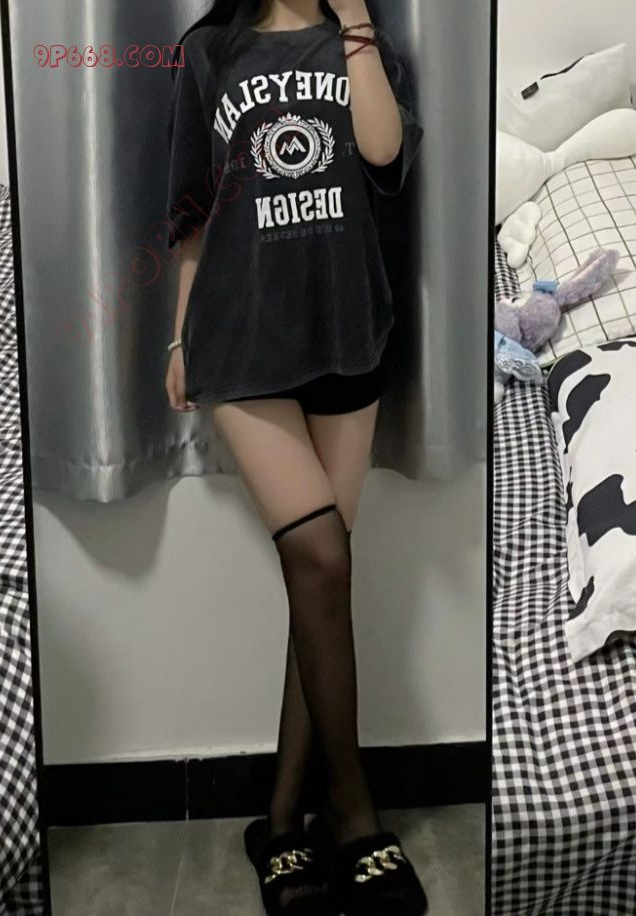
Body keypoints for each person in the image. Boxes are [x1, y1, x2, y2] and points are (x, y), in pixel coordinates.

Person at [164, 1, 425, 913]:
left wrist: (354, 22)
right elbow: (193, 207)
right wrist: (178, 338)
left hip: (347, 331)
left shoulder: (362, 41)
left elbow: (384, 155)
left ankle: (280, 823)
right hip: (242, 341)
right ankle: (353, 816)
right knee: (321, 558)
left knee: (322, 579)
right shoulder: (209, 51)